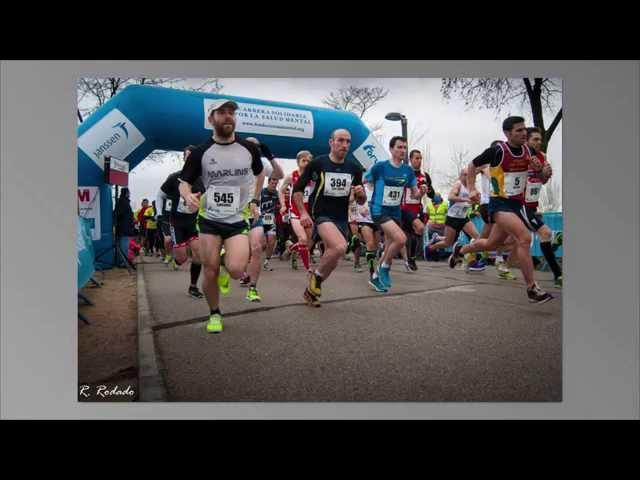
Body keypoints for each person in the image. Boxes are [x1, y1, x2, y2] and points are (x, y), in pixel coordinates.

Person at [179, 99, 265, 333]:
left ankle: (229, 266)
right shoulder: (200, 152)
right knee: (210, 269)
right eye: (222, 112)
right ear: (211, 119)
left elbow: (260, 174)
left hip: (237, 219)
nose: (228, 116)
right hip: (209, 219)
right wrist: (187, 196)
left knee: (237, 269)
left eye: (232, 112)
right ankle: (215, 313)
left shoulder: (248, 148)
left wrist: (254, 199)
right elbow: (184, 182)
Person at [448, 116, 553, 304]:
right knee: (524, 238)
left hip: (518, 204)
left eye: (524, 130)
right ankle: (531, 288)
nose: (524, 134)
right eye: (519, 130)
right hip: (500, 204)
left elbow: (540, 178)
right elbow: (473, 165)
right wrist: (472, 189)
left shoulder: (528, 150)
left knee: (490, 244)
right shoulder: (497, 151)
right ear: (507, 133)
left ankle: (460, 250)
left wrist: (543, 173)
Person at [293, 129, 366, 307]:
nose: (344, 145)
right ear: (331, 142)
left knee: (332, 260)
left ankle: (311, 292)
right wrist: (303, 212)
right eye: (340, 140)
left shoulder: (354, 169)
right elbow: (298, 189)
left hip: (341, 217)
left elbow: (361, 200)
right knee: (340, 247)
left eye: (348, 142)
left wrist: (360, 194)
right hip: (321, 214)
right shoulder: (318, 163)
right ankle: (316, 278)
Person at [365, 136, 428, 291]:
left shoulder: (407, 171)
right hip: (379, 210)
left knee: (388, 248)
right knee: (401, 239)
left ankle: (375, 277)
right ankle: (385, 268)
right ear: (391, 149)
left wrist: (421, 192)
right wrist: (367, 197)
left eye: (404, 148)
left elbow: (414, 195)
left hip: (395, 212)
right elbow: (367, 182)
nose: (402, 150)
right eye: (399, 147)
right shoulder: (380, 167)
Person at [159, 146, 206, 299]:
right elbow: (160, 195)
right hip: (177, 223)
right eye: (187, 157)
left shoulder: (202, 180)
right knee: (182, 258)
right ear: (184, 159)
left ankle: (193, 287)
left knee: (198, 254)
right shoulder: (174, 177)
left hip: (193, 223)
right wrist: (160, 214)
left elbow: (206, 202)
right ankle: (176, 261)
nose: (190, 159)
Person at [424, 167, 483, 270]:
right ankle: (430, 247)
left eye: (468, 175)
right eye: (464, 175)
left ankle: (471, 260)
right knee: (448, 242)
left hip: (463, 218)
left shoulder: (471, 186)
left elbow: (477, 199)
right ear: (461, 175)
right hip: (453, 218)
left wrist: (477, 200)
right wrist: (464, 199)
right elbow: (450, 197)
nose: (466, 177)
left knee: (476, 236)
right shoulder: (458, 184)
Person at [525, 127, 562, 288]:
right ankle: (558, 274)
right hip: (517, 205)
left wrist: (544, 173)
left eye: (540, 139)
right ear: (526, 140)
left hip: (532, 204)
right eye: (535, 139)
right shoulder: (521, 155)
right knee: (545, 233)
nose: (539, 142)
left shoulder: (542, 156)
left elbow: (543, 181)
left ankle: (465, 250)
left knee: (500, 242)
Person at [279, 150, 315, 273]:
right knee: (303, 239)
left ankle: (291, 248)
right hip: (294, 212)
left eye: (308, 161)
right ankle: (308, 269)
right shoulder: (291, 176)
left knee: (308, 243)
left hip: (308, 213)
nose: (306, 163)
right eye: (303, 161)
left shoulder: (313, 177)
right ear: (298, 162)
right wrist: (283, 205)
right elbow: (281, 190)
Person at [400, 149, 435, 271]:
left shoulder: (425, 176)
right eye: (416, 158)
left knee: (414, 233)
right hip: (404, 207)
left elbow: (432, 194)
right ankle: (410, 258)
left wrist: (428, 190)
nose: (419, 161)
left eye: (420, 158)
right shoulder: (405, 173)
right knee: (418, 228)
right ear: (410, 159)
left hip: (417, 208)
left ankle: (410, 258)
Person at [114, 187, 137, 268]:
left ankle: (122, 261)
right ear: (127, 193)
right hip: (124, 228)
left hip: (123, 228)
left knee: (123, 245)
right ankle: (122, 262)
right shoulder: (123, 202)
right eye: (129, 193)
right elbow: (119, 214)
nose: (129, 194)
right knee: (123, 246)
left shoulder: (122, 201)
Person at [425, 193, 448, 260]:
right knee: (431, 241)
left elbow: (447, 214)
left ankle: (441, 256)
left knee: (441, 242)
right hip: (432, 227)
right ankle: (432, 256)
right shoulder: (429, 205)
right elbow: (427, 215)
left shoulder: (445, 204)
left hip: (442, 227)